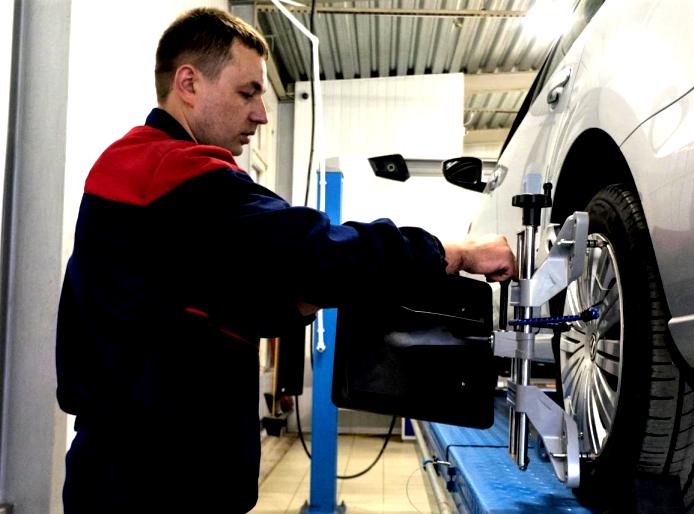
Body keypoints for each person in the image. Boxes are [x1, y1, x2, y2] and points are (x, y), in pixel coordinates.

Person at [55, 8, 515, 513]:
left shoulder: (146, 173)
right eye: (247, 92)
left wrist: (298, 300)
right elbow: (317, 251)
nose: (261, 114)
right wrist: (454, 252)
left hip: (144, 469)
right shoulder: (170, 170)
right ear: (188, 83)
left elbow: (203, 306)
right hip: (153, 484)